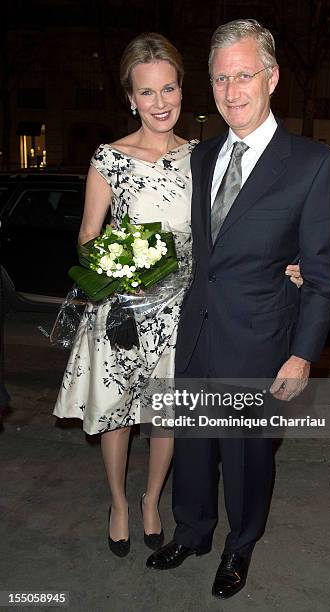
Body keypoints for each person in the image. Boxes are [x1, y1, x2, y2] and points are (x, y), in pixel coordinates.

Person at [146, 19, 330, 600]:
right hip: (196, 332)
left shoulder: (314, 163)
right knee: (192, 447)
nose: (232, 91)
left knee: (246, 460)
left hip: (261, 342)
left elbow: (324, 274)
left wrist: (303, 355)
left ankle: (240, 547)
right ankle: (193, 532)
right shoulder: (202, 156)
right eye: (220, 79)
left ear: (272, 78)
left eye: (244, 75)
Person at [53, 32, 196, 557]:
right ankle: (118, 502)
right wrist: (123, 265)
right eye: (147, 92)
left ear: (182, 88)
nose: (161, 103)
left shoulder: (201, 159)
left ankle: (151, 499)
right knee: (115, 413)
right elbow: (88, 236)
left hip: (180, 312)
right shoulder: (110, 158)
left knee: (166, 416)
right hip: (122, 311)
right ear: (130, 98)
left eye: (169, 88)